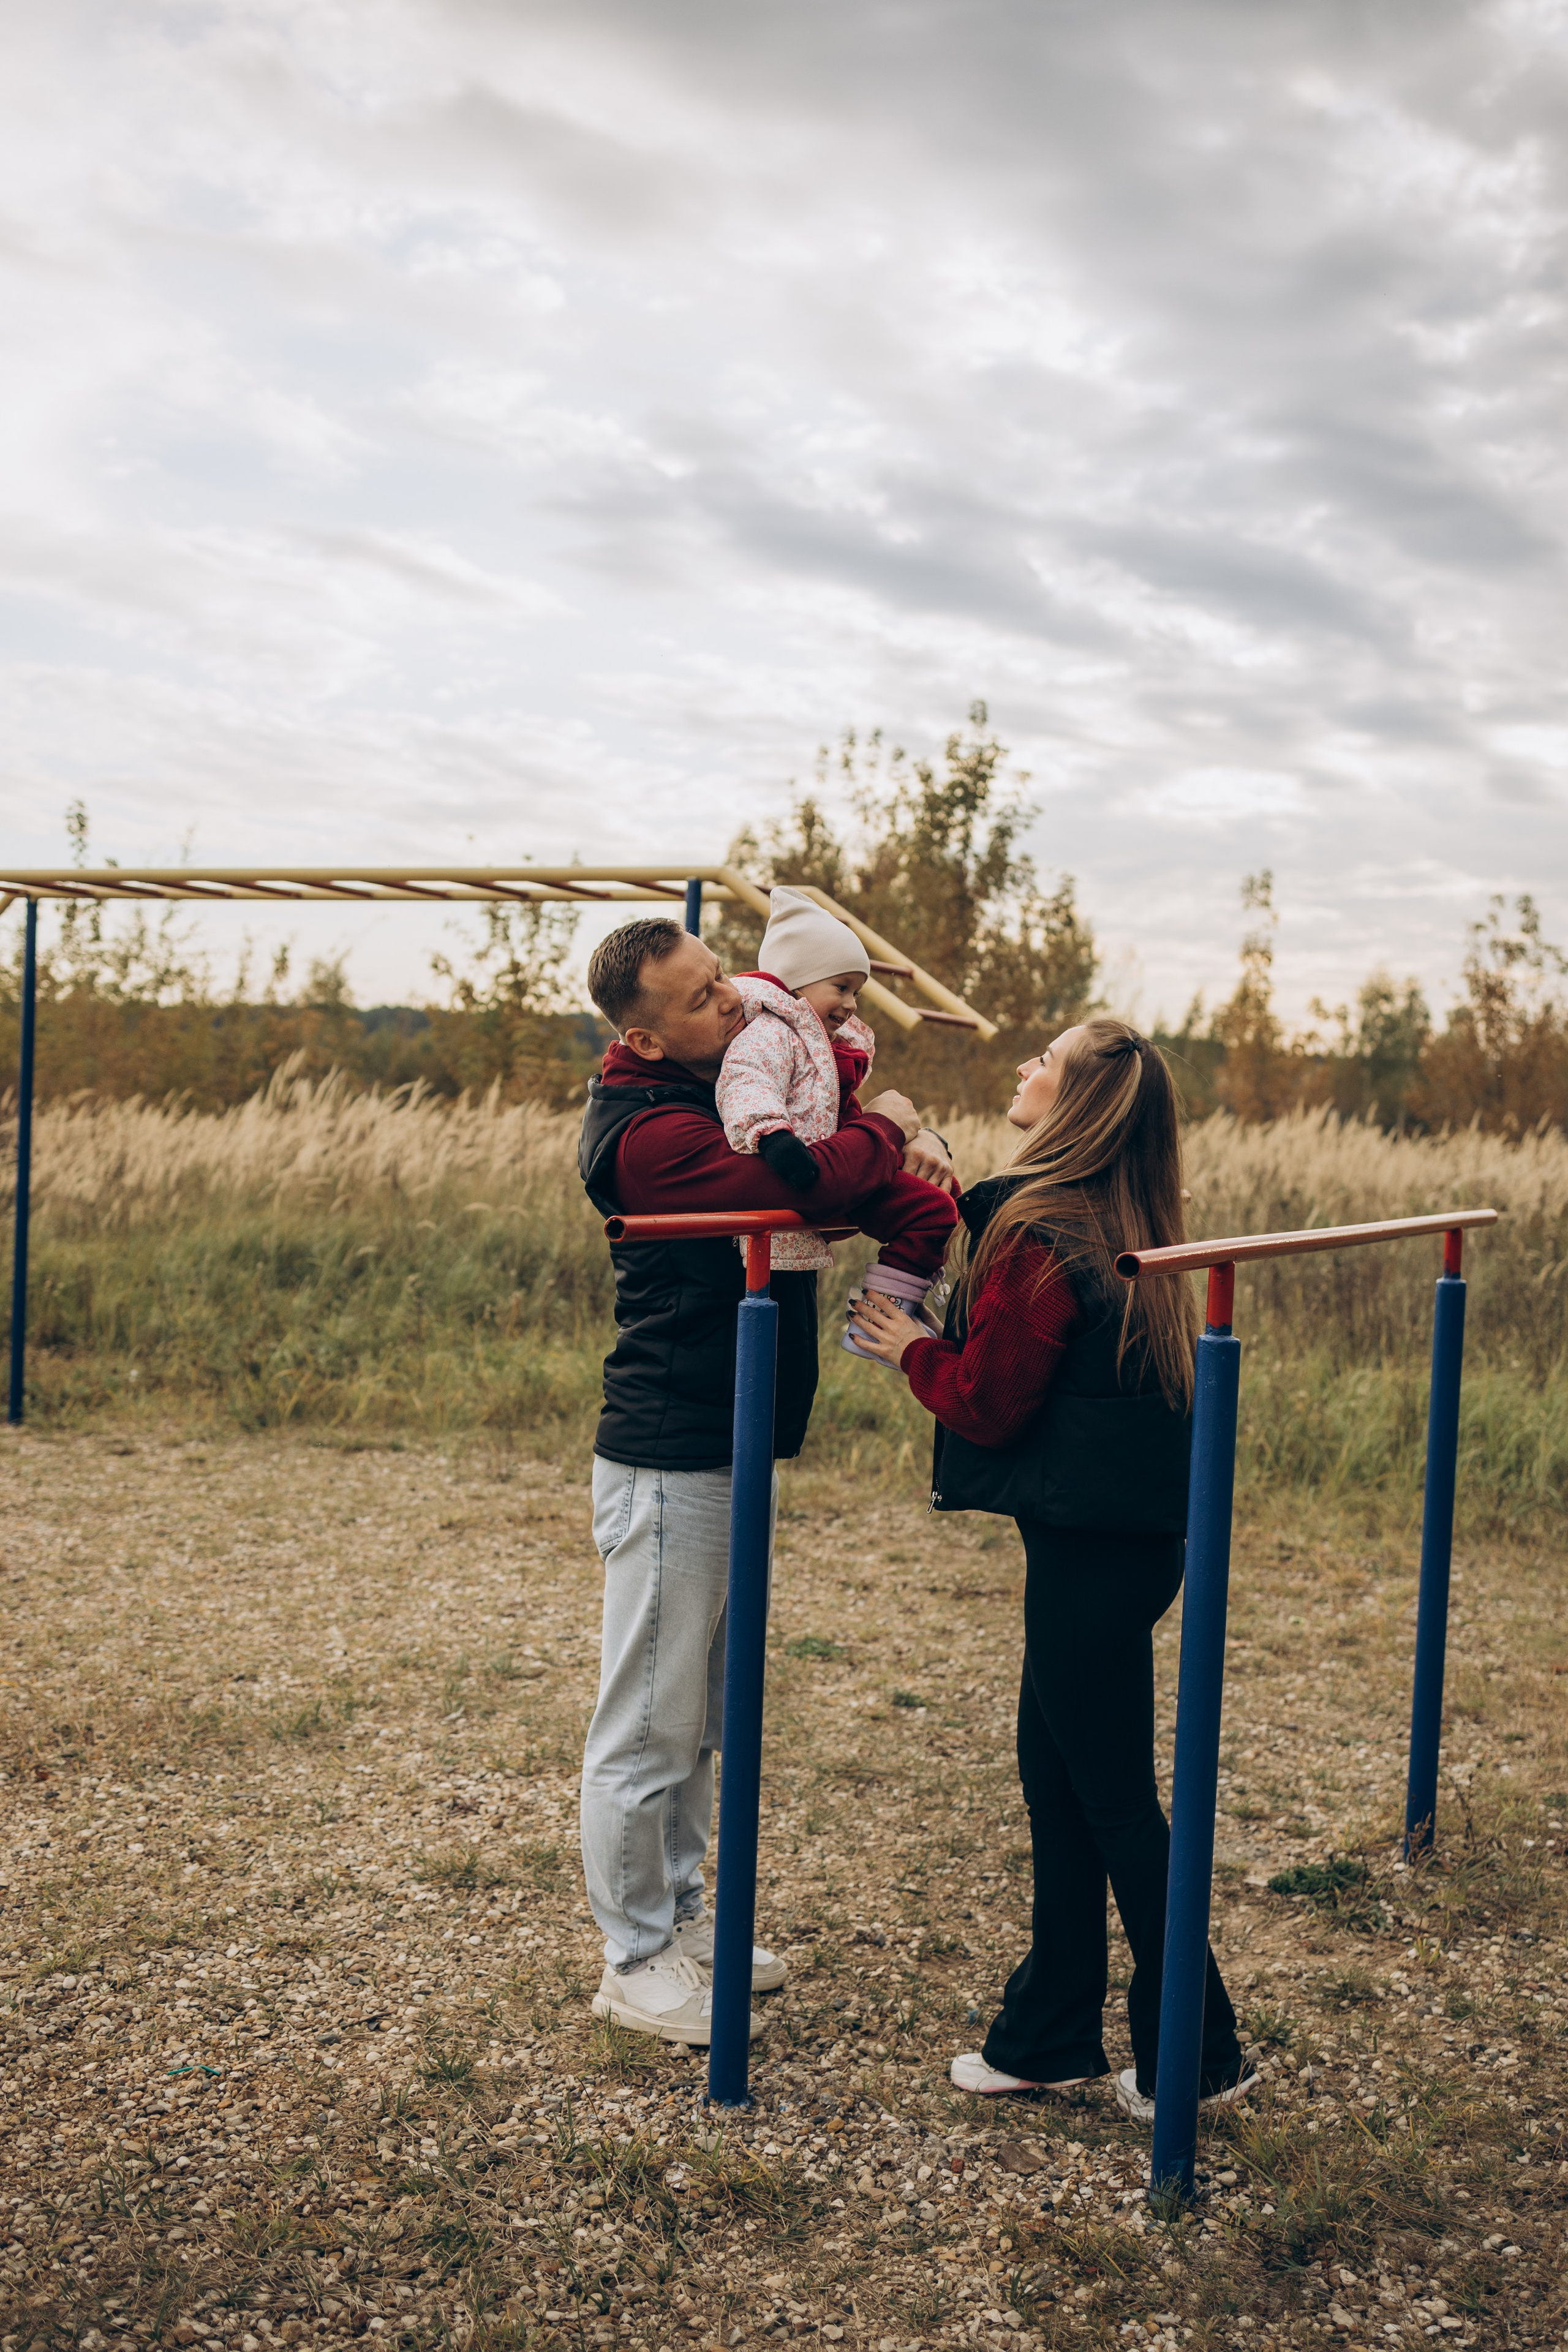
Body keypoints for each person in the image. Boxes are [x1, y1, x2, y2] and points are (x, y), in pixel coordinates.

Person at [850, 1016, 1257, 2125]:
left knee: (1114, 1802)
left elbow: (990, 1402)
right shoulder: (1118, 1214)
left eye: (1050, 1061)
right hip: (1123, 1546)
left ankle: (1202, 2057)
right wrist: (945, 1174)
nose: (1027, 1065)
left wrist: (911, 1347)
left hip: (1089, 1556)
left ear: (1075, 1102)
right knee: (1059, 1780)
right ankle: (1049, 2036)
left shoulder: (1045, 1236)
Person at [577, 916, 956, 2045]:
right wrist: (890, 1127)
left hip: (733, 1441)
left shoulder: (725, 1079)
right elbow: (808, 1185)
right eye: (701, 999)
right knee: (649, 1721)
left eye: (723, 978)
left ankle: (686, 1922)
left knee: (701, 1715)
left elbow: (840, 1178)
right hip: (672, 1448)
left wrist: (895, 1139)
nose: (735, 1002)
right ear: (645, 1039)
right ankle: (634, 1959)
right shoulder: (649, 1135)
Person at [714, 886, 959, 1344]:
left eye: (857, 992)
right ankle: (881, 1320)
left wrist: (906, 1140)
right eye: (841, 987)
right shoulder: (771, 1033)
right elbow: (746, 1081)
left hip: (843, 1161)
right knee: (932, 1209)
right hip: (808, 1168)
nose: (851, 1004)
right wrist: (773, 1136)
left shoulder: (826, 1044)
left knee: (943, 1197)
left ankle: (896, 1306)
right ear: (796, 982)